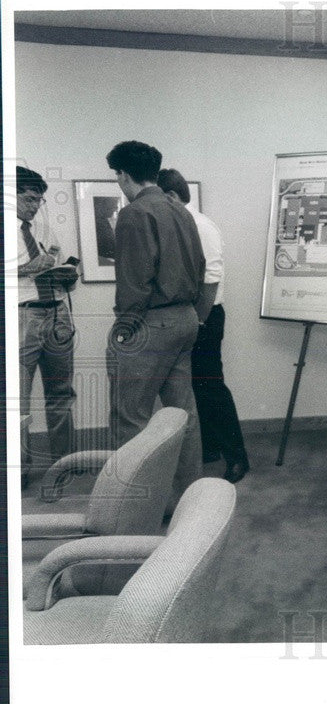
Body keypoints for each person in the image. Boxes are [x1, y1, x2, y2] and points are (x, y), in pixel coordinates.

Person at [105, 141, 206, 509]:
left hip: (149, 322)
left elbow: (135, 280)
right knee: (182, 414)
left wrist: (124, 328)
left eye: (116, 175)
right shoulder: (181, 211)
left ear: (123, 174)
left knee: (130, 415)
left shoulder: (135, 213)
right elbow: (201, 268)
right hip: (184, 319)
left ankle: (135, 508)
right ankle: (187, 501)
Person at [158, 168, 250, 484]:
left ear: (171, 196)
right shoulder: (178, 224)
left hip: (206, 316)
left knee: (210, 385)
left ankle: (237, 457)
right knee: (196, 386)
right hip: (191, 316)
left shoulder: (201, 226)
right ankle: (210, 447)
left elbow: (212, 277)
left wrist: (198, 320)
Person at [17, 165, 79, 482]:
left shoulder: (42, 228)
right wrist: (27, 268)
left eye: (38, 201)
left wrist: (70, 276)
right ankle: (21, 473)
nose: (33, 207)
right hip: (22, 316)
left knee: (61, 394)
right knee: (18, 400)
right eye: (28, 199)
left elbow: (63, 261)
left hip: (56, 311)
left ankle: (64, 464)